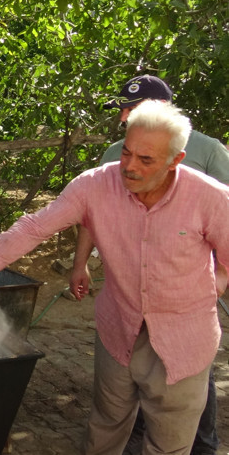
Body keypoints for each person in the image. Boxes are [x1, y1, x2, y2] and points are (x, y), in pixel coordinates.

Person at [0, 100, 229, 454]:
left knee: (169, 442)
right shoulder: (95, 186)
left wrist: (216, 282)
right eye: (126, 153)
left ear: (175, 161)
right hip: (119, 326)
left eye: (146, 160)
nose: (130, 167)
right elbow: (34, 228)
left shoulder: (210, 199)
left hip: (186, 338)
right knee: (107, 424)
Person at [71, 75, 229, 454]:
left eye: (131, 110)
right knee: (123, 380)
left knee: (185, 376)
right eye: (123, 110)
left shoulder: (207, 152)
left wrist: (217, 280)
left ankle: (201, 444)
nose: (124, 118)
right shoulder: (115, 153)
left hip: (182, 297)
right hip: (126, 291)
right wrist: (82, 262)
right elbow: (92, 213)